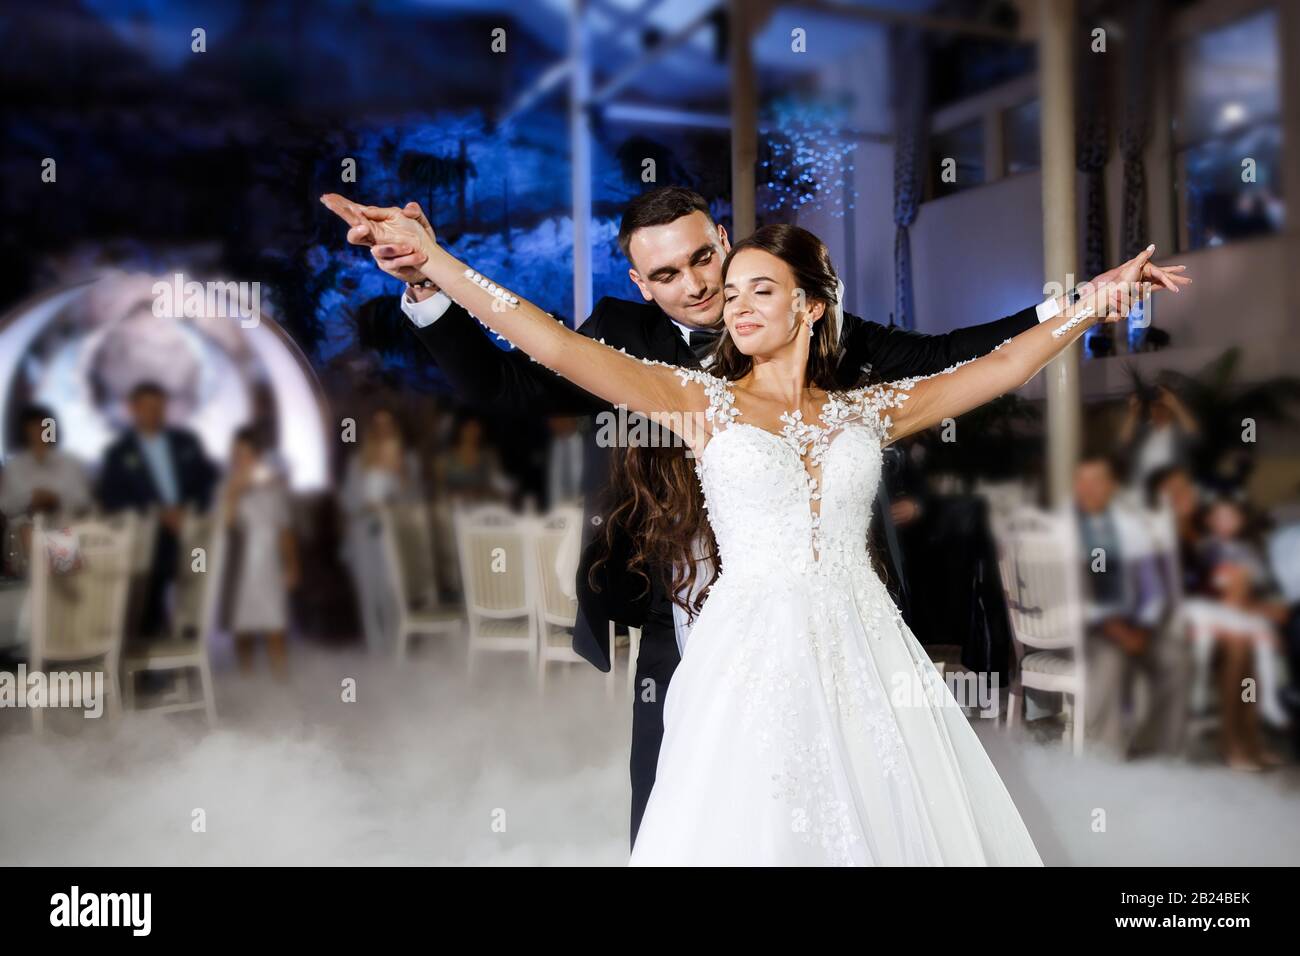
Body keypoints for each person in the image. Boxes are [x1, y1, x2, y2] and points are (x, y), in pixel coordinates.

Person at [326, 193, 1183, 864]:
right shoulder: (695, 399)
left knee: (878, 803)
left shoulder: (868, 405)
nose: (719, 299)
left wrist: (1091, 302)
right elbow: (545, 347)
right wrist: (433, 261)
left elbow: (990, 365)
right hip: (732, 633)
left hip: (861, 633)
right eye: (713, 289)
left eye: (746, 284)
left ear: (811, 308)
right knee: (723, 807)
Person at [1074, 454, 1191, 760]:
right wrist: (1110, 625)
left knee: (1175, 659)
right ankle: (1106, 757)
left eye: (1097, 481)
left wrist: (1143, 629)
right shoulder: (1061, 529)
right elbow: (1059, 595)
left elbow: (1153, 589)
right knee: (1111, 657)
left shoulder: (1131, 527)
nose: (1088, 488)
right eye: (1082, 480)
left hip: (1133, 626)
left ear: (1112, 486)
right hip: (1079, 631)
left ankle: (1159, 754)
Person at [96, 381, 218, 641]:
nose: (155, 413)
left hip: (191, 534)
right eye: (148, 407)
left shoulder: (186, 442)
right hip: (147, 537)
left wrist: (187, 510)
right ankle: (150, 643)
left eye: (160, 407)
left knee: (203, 570)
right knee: (147, 582)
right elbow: (111, 499)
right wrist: (158, 513)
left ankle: (189, 636)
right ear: (133, 409)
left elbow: (207, 480)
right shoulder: (118, 454)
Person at [339, 407, 422, 655]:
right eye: (378, 425)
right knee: (368, 590)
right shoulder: (358, 462)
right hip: (364, 532)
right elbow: (347, 501)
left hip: (394, 533)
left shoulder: (408, 461)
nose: (383, 430)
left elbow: (413, 502)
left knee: (393, 588)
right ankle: (376, 647)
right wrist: (367, 506)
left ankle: (398, 644)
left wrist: (401, 475)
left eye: (388, 424)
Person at [218, 426, 298, 679]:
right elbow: (223, 527)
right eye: (236, 454)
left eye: (246, 454)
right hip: (237, 560)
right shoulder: (226, 487)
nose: (240, 459)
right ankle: (248, 683)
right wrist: (233, 494)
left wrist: (292, 565)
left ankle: (281, 682)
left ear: (258, 455)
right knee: (242, 627)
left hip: (267, 559)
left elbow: (284, 528)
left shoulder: (272, 486)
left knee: (275, 624)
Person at [0, 405, 92, 576]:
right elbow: (5, 505)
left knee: (63, 525)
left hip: (63, 522)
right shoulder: (14, 466)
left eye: (43, 427)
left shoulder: (69, 463)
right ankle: (52, 575)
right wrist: (30, 499)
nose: (38, 433)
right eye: (32, 428)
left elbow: (82, 500)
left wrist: (55, 498)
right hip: (26, 529)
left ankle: (55, 575)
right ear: (24, 432)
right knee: (25, 525)